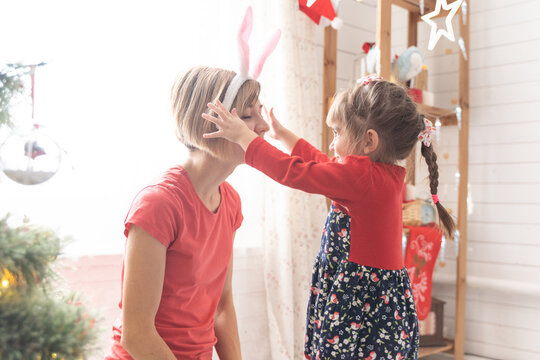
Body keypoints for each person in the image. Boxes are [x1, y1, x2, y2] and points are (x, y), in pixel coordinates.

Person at [202, 77, 455, 359]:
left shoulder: (360, 179)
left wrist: (244, 138)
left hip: (361, 302)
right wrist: (285, 136)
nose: (333, 144)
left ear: (369, 141)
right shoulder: (381, 176)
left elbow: (295, 171)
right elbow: (322, 164)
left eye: (337, 133)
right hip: (377, 298)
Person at [105, 66, 270, 360]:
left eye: (260, 113)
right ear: (208, 123)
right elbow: (137, 335)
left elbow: (221, 307)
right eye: (247, 116)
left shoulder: (230, 202)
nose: (263, 127)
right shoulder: (159, 204)